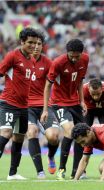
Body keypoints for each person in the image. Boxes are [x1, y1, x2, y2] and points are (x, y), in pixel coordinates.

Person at [40, 39, 89, 180]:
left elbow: (80, 81)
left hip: (75, 102)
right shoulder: (58, 63)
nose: (74, 58)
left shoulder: (85, 59)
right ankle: (61, 169)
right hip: (59, 103)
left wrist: (82, 101)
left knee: (82, 134)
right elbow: (47, 86)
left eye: (77, 56)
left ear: (82, 53)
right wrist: (45, 110)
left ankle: (77, 171)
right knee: (70, 130)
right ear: (67, 52)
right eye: (71, 55)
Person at [0, 28, 39, 180]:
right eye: (30, 42)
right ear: (22, 42)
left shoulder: (31, 60)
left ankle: (13, 173)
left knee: (19, 139)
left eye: (36, 43)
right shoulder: (12, 56)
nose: (33, 46)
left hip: (24, 106)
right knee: (6, 134)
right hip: (9, 103)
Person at [27, 30, 60, 179]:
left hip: (45, 105)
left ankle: (51, 156)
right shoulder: (18, 60)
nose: (36, 46)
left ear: (43, 46)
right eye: (33, 43)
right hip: (26, 106)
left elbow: (57, 83)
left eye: (39, 44)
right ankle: (40, 172)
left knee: (53, 136)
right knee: (32, 131)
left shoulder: (48, 63)